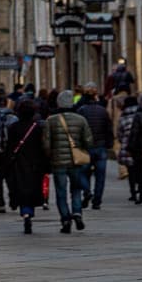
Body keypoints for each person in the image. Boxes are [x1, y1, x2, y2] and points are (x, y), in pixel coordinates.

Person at [42, 90, 92, 233]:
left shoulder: (51, 120)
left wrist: (50, 156)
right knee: (76, 189)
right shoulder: (81, 120)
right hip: (76, 161)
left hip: (58, 162)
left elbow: (46, 144)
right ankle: (77, 212)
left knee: (61, 191)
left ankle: (65, 219)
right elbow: (89, 141)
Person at [5, 99, 47, 234]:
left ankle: (25, 213)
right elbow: (43, 148)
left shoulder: (13, 128)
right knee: (32, 190)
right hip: (35, 164)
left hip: (18, 163)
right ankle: (29, 212)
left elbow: (9, 148)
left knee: (21, 190)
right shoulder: (38, 128)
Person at [77, 90, 113, 210]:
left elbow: (79, 129)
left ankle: (87, 191)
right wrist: (109, 143)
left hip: (87, 147)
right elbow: (108, 128)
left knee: (83, 172)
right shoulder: (103, 111)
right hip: (100, 146)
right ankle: (97, 201)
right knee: (100, 175)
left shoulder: (82, 110)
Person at [116, 94, 142, 203]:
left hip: (127, 148)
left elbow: (119, 134)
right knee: (140, 170)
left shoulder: (123, 117)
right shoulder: (141, 114)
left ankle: (133, 192)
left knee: (131, 171)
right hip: (140, 146)